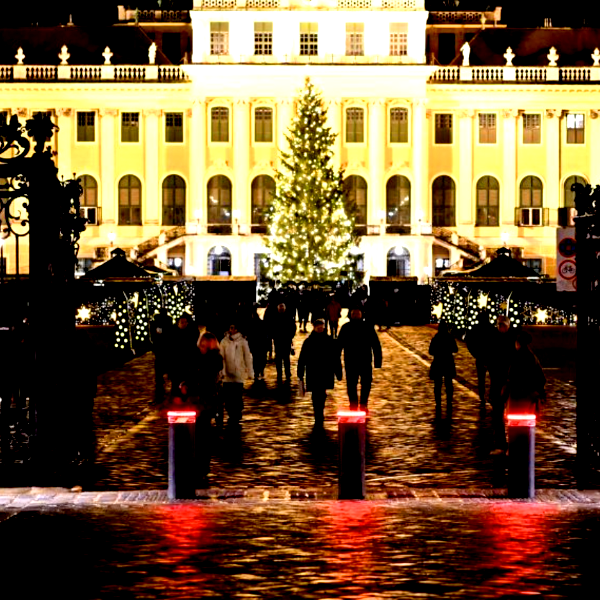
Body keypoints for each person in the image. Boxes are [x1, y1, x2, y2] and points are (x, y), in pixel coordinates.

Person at [297, 318, 342, 427]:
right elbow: (302, 358)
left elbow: (335, 357)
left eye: (321, 327)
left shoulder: (329, 340)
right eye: (318, 327)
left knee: (321, 393)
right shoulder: (309, 341)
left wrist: (338, 372)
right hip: (313, 371)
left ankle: (319, 412)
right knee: (316, 394)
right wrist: (300, 373)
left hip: (326, 371)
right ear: (314, 327)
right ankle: (318, 414)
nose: (320, 329)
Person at [337, 307, 382, 411]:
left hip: (365, 360)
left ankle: (363, 403)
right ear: (350, 315)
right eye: (354, 314)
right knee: (351, 384)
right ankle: (353, 404)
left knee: (366, 383)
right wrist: (336, 360)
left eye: (358, 314)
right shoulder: (346, 327)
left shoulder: (368, 327)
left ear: (361, 315)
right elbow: (339, 345)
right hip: (350, 361)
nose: (356, 315)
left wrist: (378, 361)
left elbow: (376, 344)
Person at [488, 315, 516, 453]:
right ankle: (501, 443)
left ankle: (511, 442)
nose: (501, 328)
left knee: (513, 414)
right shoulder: (494, 339)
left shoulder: (512, 341)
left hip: (508, 382)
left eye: (503, 325)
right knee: (497, 414)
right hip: (497, 381)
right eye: (500, 325)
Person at [503, 330, 546, 418]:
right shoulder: (533, 357)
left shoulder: (516, 358)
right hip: (530, 398)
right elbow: (541, 378)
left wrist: (503, 396)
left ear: (518, 343)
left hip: (515, 397)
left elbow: (510, 377)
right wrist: (540, 393)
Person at [220, 322, 254, 427]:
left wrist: (250, 372)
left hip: (238, 374)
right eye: (231, 328)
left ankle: (237, 412)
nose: (232, 330)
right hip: (227, 375)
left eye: (234, 328)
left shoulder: (242, 341)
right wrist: (222, 371)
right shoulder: (224, 341)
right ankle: (231, 412)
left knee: (237, 395)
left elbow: (247, 357)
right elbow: (221, 357)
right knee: (228, 396)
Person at [465, 312, 496, 409]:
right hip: (491, 358)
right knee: (493, 379)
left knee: (481, 379)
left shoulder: (475, 329)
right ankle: (491, 396)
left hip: (480, 357)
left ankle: (482, 396)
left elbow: (469, 342)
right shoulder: (493, 329)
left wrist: (475, 354)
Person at [428, 321, 458, 420]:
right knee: (448, 383)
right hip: (448, 362)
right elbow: (455, 349)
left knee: (438, 384)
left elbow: (431, 351)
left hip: (438, 362)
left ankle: (438, 402)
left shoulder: (436, 338)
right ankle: (449, 401)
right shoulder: (450, 337)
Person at [168, 314, 199, 398]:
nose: (184, 324)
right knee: (176, 384)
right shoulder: (173, 333)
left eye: (186, 322)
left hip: (188, 363)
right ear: (178, 323)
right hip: (176, 364)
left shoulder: (191, 332)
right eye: (182, 322)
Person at [150, 308, 173, 403]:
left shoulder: (156, 322)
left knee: (159, 374)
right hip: (167, 350)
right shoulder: (169, 321)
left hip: (160, 349)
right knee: (170, 373)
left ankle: (159, 393)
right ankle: (170, 393)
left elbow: (155, 335)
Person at [272, 303, 296, 384]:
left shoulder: (289, 317)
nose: (281, 310)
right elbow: (271, 328)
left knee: (285, 358)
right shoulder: (275, 317)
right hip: (278, 340)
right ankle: (280, 373)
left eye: (282, 308)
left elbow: (293, 328)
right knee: (279, 358)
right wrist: (274, 336)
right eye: (280, 308)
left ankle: (286, 373)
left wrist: (290, 336)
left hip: (286, 340)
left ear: (284, 309)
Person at [245, 305, 270, 382]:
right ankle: (259, 371)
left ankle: (257, 372)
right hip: (261, 345)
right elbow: (267, 335)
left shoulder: (251, 325)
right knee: (261, 358)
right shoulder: (262, 323)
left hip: (256, 345)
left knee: (256, 359)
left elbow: (249, 336)